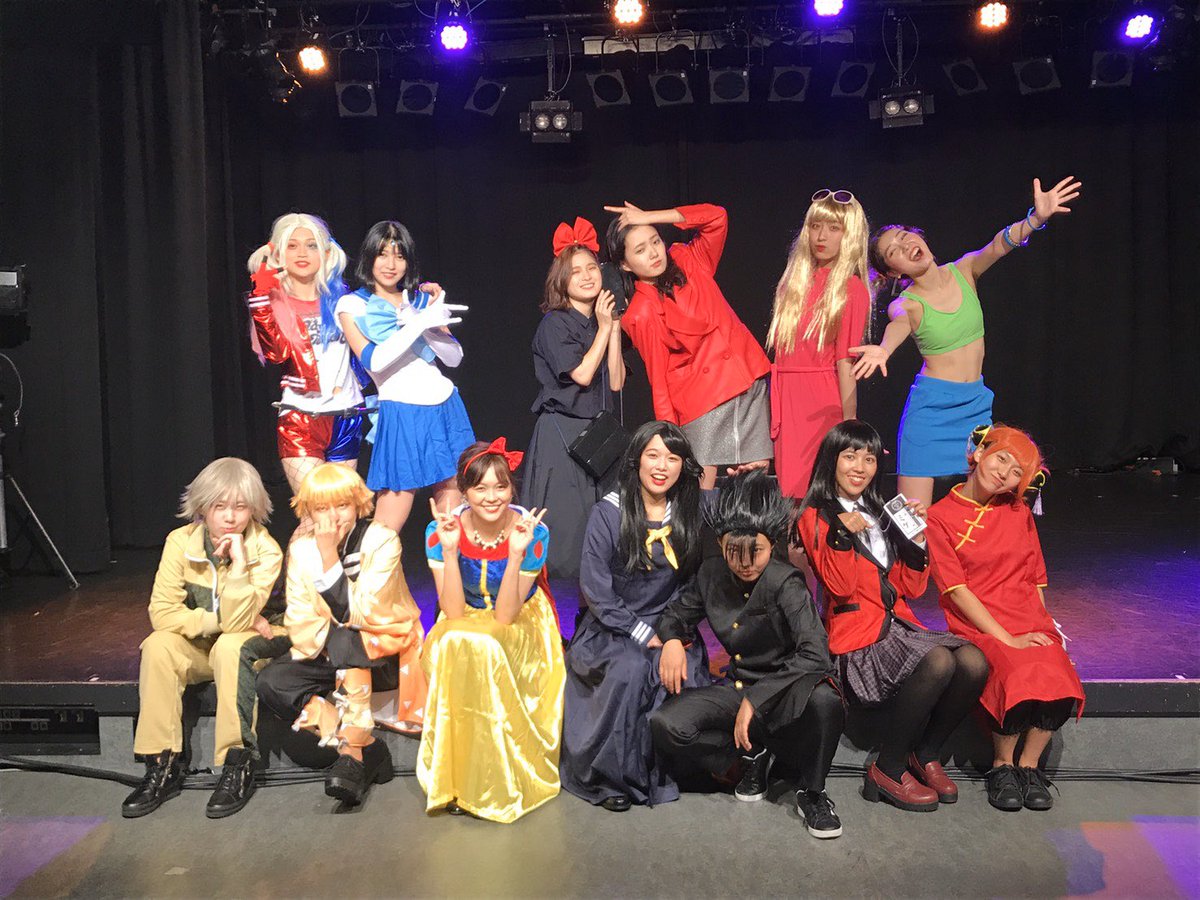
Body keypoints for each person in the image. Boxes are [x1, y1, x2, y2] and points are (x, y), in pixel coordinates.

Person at [850, 176, 1083, 508]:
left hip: (975, 405)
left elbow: (998, 245)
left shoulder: (964, 270)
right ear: (893, 272)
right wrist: (883, 350)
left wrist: (1035, 219)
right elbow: (899, 324)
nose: (905, 246)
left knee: (981, 509)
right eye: (893, 252)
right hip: (931, 413)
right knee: (912, 518)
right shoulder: (907, 303)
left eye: (904, 237)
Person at [797, 421, 988, 812]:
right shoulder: (816, 516)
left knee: (973, 662)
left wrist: (914, 541)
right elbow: (839, 587)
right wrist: (841, 535)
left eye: (869, 459)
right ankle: (887, 767)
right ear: (831, 460)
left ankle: (926, 753)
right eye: (850, 456)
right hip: (856, 642)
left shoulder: (881, 512)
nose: (859, 467)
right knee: (938, 660)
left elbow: (910, 589)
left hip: (896, 626)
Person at [652, 470, 846, 838]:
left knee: (827, 700)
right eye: (733, 552)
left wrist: (756, 699)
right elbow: (676, 615)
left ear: (772, 543)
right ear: (720, 543)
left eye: (755, 551)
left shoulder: (785, 581)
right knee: (666, 724)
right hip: (737, 687)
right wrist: (673, 640)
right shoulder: (711, 573)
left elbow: (816, 653)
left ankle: (813, 792)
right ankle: (749, 759)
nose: (744, 562)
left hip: (786, 691)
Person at [926, 425, 1084, 812]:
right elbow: (957, 590)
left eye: (1016, 472)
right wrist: (1007, 638)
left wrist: (1045, 626)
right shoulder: (939, 516)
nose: (1004, 474)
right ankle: (1002, 766)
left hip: (1026, 615)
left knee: (1056, 670)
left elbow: (1036, 576)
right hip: (980, 622)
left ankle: (1028, 767)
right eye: (1001, 460)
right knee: (1015, 670)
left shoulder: (1018, 511)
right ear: (980, 453)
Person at [256, 463, 428, 807]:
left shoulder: (382, 540)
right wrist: (327, 643)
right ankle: (366, 745)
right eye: (322, 508)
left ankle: (350, 756)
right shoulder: (302, 549)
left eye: (342, 505)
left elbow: (363, 614)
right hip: (329, 652)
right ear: (308, 511)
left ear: (358, 504)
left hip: (385, 652)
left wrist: (328, 556)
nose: (333, 517)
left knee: (346, 635)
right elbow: (299, 618)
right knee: (272, 681)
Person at [123, 458, 283, 819]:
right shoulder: (180, 542)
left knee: (230, 645)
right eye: (219, 506)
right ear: (202, 507)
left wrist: (239, 566)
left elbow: (239, 626)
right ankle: (161, 765)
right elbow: (162, 613)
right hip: (205, 646)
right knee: (159, 645)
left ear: (254, 509)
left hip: (253, 647)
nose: (230, 517)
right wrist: (215, 620)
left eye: (241, 507)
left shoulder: (266, 550)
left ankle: (237, 764)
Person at [560, 421, 708, 811]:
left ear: (683, 465)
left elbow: (692, 586)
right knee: (629, 670)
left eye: (672, 458)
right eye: (653, 455)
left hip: (669, 622)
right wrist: (640, 631)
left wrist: (673, 634)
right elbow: (597, 591)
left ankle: (672, 771)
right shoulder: (608, 514)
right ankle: (608, 778)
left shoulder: (688, 512)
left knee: (683, 669)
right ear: (637, 460)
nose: (662, 466)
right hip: (613, 626)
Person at [419, 439, 565, 823]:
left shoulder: (533, 531)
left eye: (500, 486)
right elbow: (452, 611)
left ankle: (493, 782)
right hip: (464, 611)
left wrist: (515, 553)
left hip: (519, 616)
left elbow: (505, 616)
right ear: (464, 491)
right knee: (454, 641)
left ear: (511, 488)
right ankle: (455, 779)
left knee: (483, 644)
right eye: (480, 488)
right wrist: (449, 550)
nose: (491, 497)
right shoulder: (441, 530)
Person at [606, 201, 772, 488]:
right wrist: (670, 435)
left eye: (655, 241)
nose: (653, 253)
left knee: (754, 489)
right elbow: (659, 379)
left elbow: (716, 217)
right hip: (702, 404)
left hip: (747, 381)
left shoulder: (686, 258)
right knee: (700, 495)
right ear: (625, 264)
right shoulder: (640, 313)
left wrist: (651, 215)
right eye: (640, 250)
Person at [337, 220, 475, 533]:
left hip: (445, 405)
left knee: (453, 517)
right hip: (401, 410)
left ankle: (449, 566)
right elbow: (375, 360)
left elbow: (453, 359)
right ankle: (370, 568)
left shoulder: (420, 300)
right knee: (388, 522)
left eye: (399, 256)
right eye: (382, 254)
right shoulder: (352, 304)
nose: (391, 264)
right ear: (369, 257)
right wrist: (417, 323)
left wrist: (431, 322)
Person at [524, 217, 627, 579]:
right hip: (563, 436)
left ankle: (591, 610)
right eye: (576, 271)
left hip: (598, 437)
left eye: (591, 268)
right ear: (562, 281)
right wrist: (603, 329)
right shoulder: (555, 323)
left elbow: (616, 380)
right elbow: (581, 375)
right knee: (561, 533)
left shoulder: (601, 321)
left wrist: (613, 326)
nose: (586, 276)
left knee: (599, 532)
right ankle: (539, 607)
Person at [246, 213, 365, 491]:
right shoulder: (270, 303)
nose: (302, 253)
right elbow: (275, 354)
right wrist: (260, 299)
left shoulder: (345, 300)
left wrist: (420, 295)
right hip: (301, 417)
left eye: (311, 245)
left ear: (325, 252)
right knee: (313, 508)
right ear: (278, 253)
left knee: (343, 508)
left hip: (346, 414)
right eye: (292, 245)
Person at [767, 189, 872, 499]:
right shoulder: (793, 283)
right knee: (790, 494)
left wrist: (849, 424)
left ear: (849, 234)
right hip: (787, 398)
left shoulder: (851, 288)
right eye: (815, 226)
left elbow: (845, 361)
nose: (821, 236)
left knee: (816, 494)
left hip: (822, 403)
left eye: (833, 228)